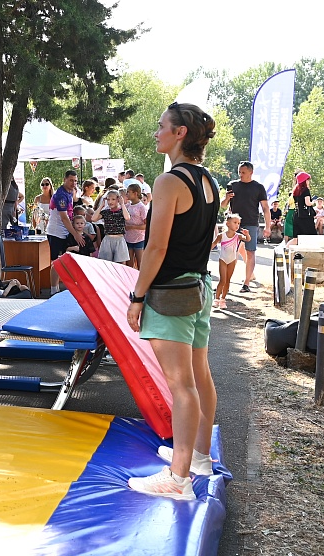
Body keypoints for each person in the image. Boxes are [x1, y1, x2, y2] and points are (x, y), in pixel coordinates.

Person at [126, 102, 220, 499]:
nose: (156, 132)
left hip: (171, 294)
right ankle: (199, 456)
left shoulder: (168, 182)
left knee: (181, 385)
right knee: (199, 375)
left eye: (161, 126)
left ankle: (178, 479)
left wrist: (137, 296)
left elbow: (156, 247)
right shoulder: (209, 181)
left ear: (180, 134)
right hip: (199, 287)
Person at [219, 161, 272, 293]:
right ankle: (224, 282)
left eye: (243, 172)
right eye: (239, 172)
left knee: (250, 251)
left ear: (250, 172)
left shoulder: (258, 187)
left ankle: (246, 283)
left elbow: (265, 208)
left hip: (251, 222)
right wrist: (226, 198)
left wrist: (268, 226)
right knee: (229, 252)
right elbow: (223, 205)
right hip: (234, 222)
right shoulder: (233, 185)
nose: (240, 175)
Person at [45, 170, 87, 292]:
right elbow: (64, 217)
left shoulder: (70, 192)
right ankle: (54, 289)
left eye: (75, 181)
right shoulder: (60, 195)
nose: (73, 183)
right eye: (71, 180)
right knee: (57, 262)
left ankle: (62, 287)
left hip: (66, 231)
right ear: (65, 180)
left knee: (65, 260)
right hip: (56, 232)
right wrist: (75, 235)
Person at [211, 214, 248, 308]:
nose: (237, 225)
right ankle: (216, 299)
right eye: (235, 222)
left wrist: (247, 234)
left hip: (232, 260)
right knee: (222, 280)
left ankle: (223, 300)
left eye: (238, 223)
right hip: (223, 259)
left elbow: (248, 239)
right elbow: (213, 244)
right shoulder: (221, 235)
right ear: (227, 224)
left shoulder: (238, 236)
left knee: (228, 280)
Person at [95, 189, 131, 264]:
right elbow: (93, 218)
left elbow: (127, 218)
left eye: (113, 199)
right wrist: (101, 206)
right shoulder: (105, 212)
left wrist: (122, 204)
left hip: (119, 239)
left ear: (118, 199)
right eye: (108, 199)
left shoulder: (122, 211)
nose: (110, 202)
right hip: (108, 239)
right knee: (106, 263)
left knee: (121, 264)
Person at [123, 183, 148, 268]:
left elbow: (146, 225)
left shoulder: (142, 207)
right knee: (129, 263)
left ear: (135, 193)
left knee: (140, 262)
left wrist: (132, 227)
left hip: (139, 238)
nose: (127, 194)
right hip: (128, 237)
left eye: (128, 192)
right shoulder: (127, 205)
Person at [291, 172, 317, 244]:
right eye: (307, 180)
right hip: (305, 217)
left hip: (297, 215)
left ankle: (285, 249)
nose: (308, 181)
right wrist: (314, 202)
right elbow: (307, 203)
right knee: (312, 236)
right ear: (305, 181)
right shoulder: (305, 190)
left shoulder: (295, 190)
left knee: (296, 238)